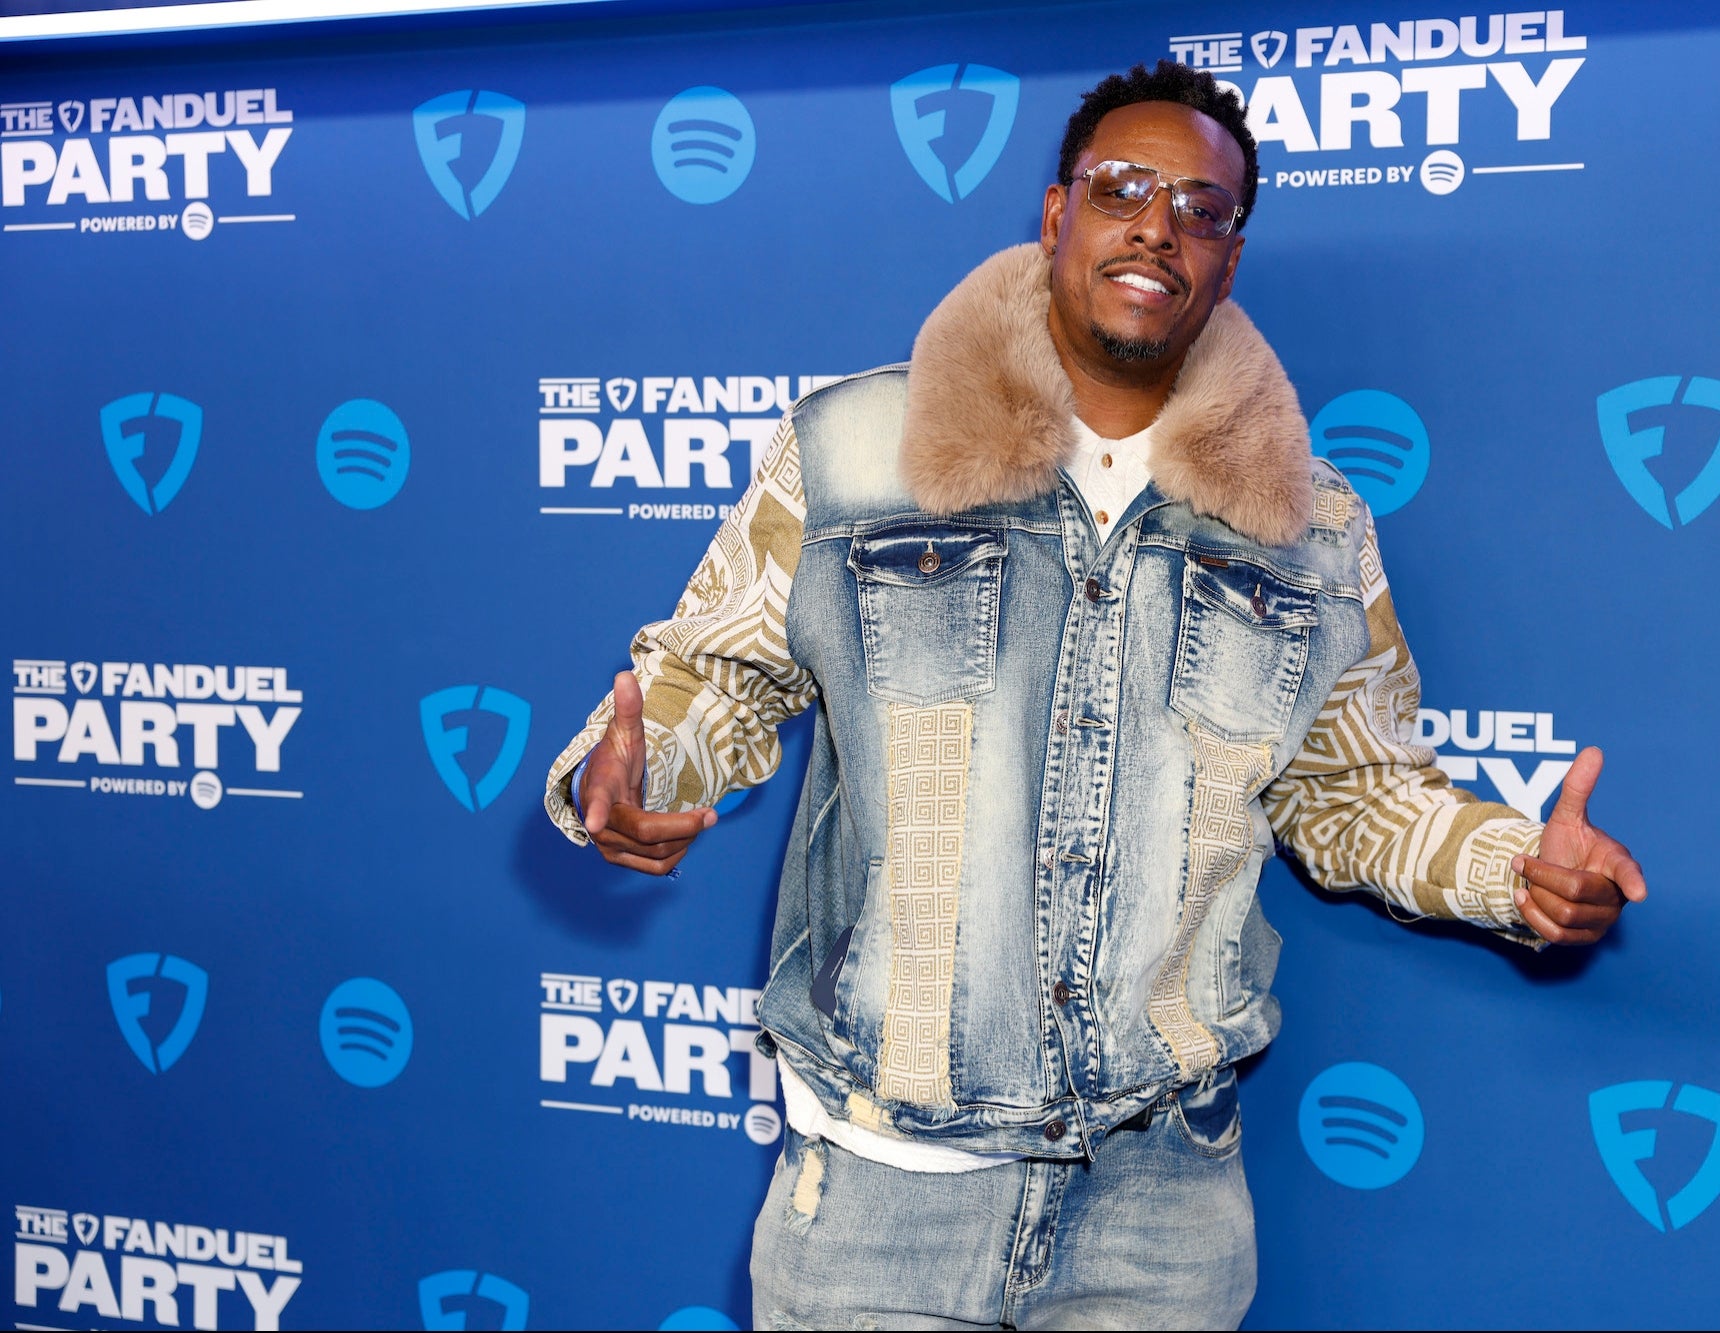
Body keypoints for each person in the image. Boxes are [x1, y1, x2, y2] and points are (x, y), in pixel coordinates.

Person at [545, 60, 1646, 1331]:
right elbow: (712, 676)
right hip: (880, 1197)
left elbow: (1354, 791)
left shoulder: (1312, 525)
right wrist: (640, 767)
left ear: (1227, 260)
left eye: (1200, 208)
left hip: (1161, 1213)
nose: (1156, 225)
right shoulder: (850, 449)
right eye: (1122, 187)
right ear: (1057, 211)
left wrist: (1512, 870)